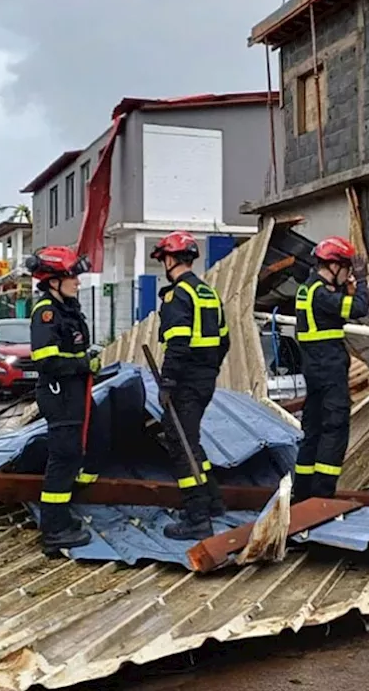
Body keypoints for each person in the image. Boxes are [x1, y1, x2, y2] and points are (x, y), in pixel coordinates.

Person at [151, 230, 229, 540]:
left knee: (180, 444)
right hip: (205, 378)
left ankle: (197, 518)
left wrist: (168, 381)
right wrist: (207, 369)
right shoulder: (207, 292)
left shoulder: (177, 295)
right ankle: (213, 502)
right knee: (191, 440)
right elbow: (225, 340)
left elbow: (178, 343)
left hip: (184, 381)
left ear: (170, 259)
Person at [25, 246, 101, 554]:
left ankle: (62, 515)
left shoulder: (67, 308)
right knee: (64, 457)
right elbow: (46, 360)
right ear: (53, 280)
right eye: (72, 277)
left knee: (76, 452)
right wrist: (84, 365)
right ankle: (54, 530)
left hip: (74, 392)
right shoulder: (46, 313)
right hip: (60, 394)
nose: (78, 282)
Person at [292, 237, 369, 502]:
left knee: (312, 429)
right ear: (335, 265)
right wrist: (361, 282)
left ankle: (301, 494)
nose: (348, 273)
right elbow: (359, 309)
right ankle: (322, 497)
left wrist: (344, 289)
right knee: (334, 430)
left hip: (314, 369)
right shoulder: (322, 293)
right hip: (329, 369)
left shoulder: (308, 288)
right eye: (347, 268)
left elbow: (331, 314)